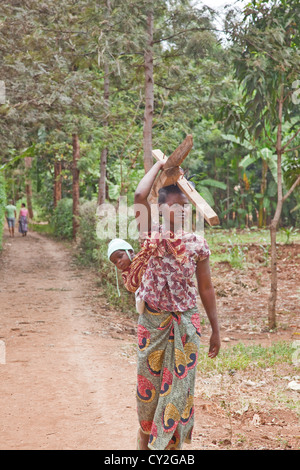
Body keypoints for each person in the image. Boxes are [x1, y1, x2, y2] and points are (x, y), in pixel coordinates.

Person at [132, 160, 221, 450]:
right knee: (149, 395)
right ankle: (144, 445)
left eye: (184, 205)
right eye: (174, 205)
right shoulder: (151, 236)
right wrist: (160, 165)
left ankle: (172, 451)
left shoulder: (197, 243)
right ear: (160, 209)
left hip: (185, 326)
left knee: (180, 396)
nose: (181, 210)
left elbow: (206, 289)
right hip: (153, 325)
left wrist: (215, 330)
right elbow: (138, 196)